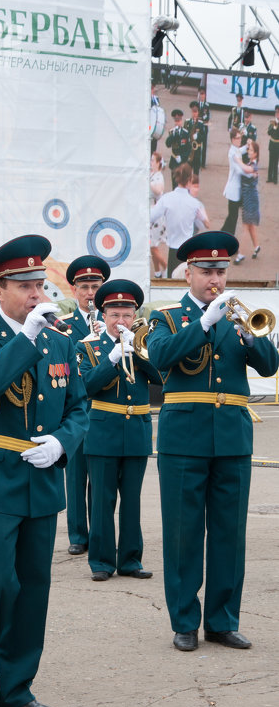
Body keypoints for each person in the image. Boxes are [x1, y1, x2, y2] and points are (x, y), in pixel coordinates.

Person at [0, 234, 88, 707]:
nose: (36, 294)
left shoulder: (61, 340)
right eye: (25, 285)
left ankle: (17, 688)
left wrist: (62, 443)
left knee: (33, 587)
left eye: (40, 284)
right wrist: (24, 339)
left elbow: (79, 406)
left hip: (43, 479)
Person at [147, 231, 279, 652]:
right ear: (188, 272)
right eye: (206, 271)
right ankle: (185, 621)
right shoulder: (167, 317)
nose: (215, 279)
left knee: (228, 534)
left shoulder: (240, 317)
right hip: (183, 436)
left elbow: (270, 365)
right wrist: (204, 323)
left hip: (233, 438)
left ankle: (222, 621)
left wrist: (253, 337)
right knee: (184, 534)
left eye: (221, 271)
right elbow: (160, 357)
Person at [76, 280, 160, 583]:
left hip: (136, 430)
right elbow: (84, 387)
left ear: (134, 315)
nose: (121, 321)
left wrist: (138, 350)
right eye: (114, 315)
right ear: (103, 317)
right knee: (101, 501)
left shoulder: (143, 345)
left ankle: (130, 560)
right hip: (102, 432)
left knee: (132, 501)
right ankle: (100, 561)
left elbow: (161, 378)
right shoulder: (88, 347)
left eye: (126, 315)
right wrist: (112, 359)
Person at [60, 255, 111, 555]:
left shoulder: (114, 322)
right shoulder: (65, 326)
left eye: (95, 286)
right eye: (85, 287)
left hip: (104, 407)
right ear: (74, 291)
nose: (91, 293)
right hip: (74, 407)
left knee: (102, 476)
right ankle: (78, 534)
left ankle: (102, 532)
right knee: (76, 473)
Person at [150, 163, 209, 277]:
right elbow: (204, 225)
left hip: (173, 251)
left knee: (172, 283)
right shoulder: (194, 203)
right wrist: (202, 218)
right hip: (188, 251)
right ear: (190, 180)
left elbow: (151, 217)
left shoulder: (167, 198)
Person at [221, 128, 248, 257]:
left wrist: (248, 146)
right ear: (232, 140)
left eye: (240, 138)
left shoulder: (235, 150)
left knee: (232, 217)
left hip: (237, 190)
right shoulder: (232, 153)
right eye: (237, 138)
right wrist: (250, 171)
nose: (240, 140)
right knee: (233, 218)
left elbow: (240, 150)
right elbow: (239, 170)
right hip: (233, 190)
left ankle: (221, 236)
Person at [236, 139, 261, 260]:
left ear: (255, 153)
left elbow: (246, 169)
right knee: (250, 226)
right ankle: (256, 246)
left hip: (251, 199)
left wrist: (237, 160)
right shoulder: (250, 162)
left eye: (251, 150)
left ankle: (241, 253)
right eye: (249, 150)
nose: (249, 152)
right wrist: (248, 144)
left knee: (246, 226)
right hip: (248, 198)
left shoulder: (253, 165)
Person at [150, 151, 168, 278]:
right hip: (149, 214)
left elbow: (159, 190)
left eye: (152, 160)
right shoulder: (152, 174)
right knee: (152, 245)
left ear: (158, 163)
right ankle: (157, 271)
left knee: (152, 245)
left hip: (155, 217)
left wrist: (148, 182)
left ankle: (166, 266)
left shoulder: (158, 177)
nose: (150, 163)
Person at [165, 109, 191, 189]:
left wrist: (182, 157)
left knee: (182, 182)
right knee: (174, 183)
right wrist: (173, 136)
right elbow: (168, 144)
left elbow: (188, 149)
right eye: (176, 121)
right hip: (174, 161)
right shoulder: (172, 132)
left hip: (182, 162)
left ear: (181, 121)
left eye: (179, 121)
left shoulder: (185, 133)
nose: (177, 123)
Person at [184, 101, 206, 176]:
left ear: (198, 112)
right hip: (189, 151)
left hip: (197, 151)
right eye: (193, 112)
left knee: (196, 173)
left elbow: (204, 138)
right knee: (188, 173)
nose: (194, 114)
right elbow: (184, 135)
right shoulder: (187, 122)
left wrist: (198, 136)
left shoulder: (200, 124)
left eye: (196, 112)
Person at [197, 86, 210, 167]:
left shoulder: (207, 105)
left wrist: (206, 118)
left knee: (204, 145)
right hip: (198, 126)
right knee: (197, 145)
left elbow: (208, 116)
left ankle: (203, 163)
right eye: (201, 94)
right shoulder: (196, 104)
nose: (202, 96)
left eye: (203, 94)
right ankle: (197, 162)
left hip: (204, 127)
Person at [266, 105, 279, 184]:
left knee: (276, 161)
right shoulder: (272, 122)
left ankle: (275, 179)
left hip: (277, 144)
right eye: (276, 112)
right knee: (271, 161)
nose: (277, 114)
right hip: (272, 143)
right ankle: (269, 177)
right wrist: (274, 126)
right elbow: (269, 132)